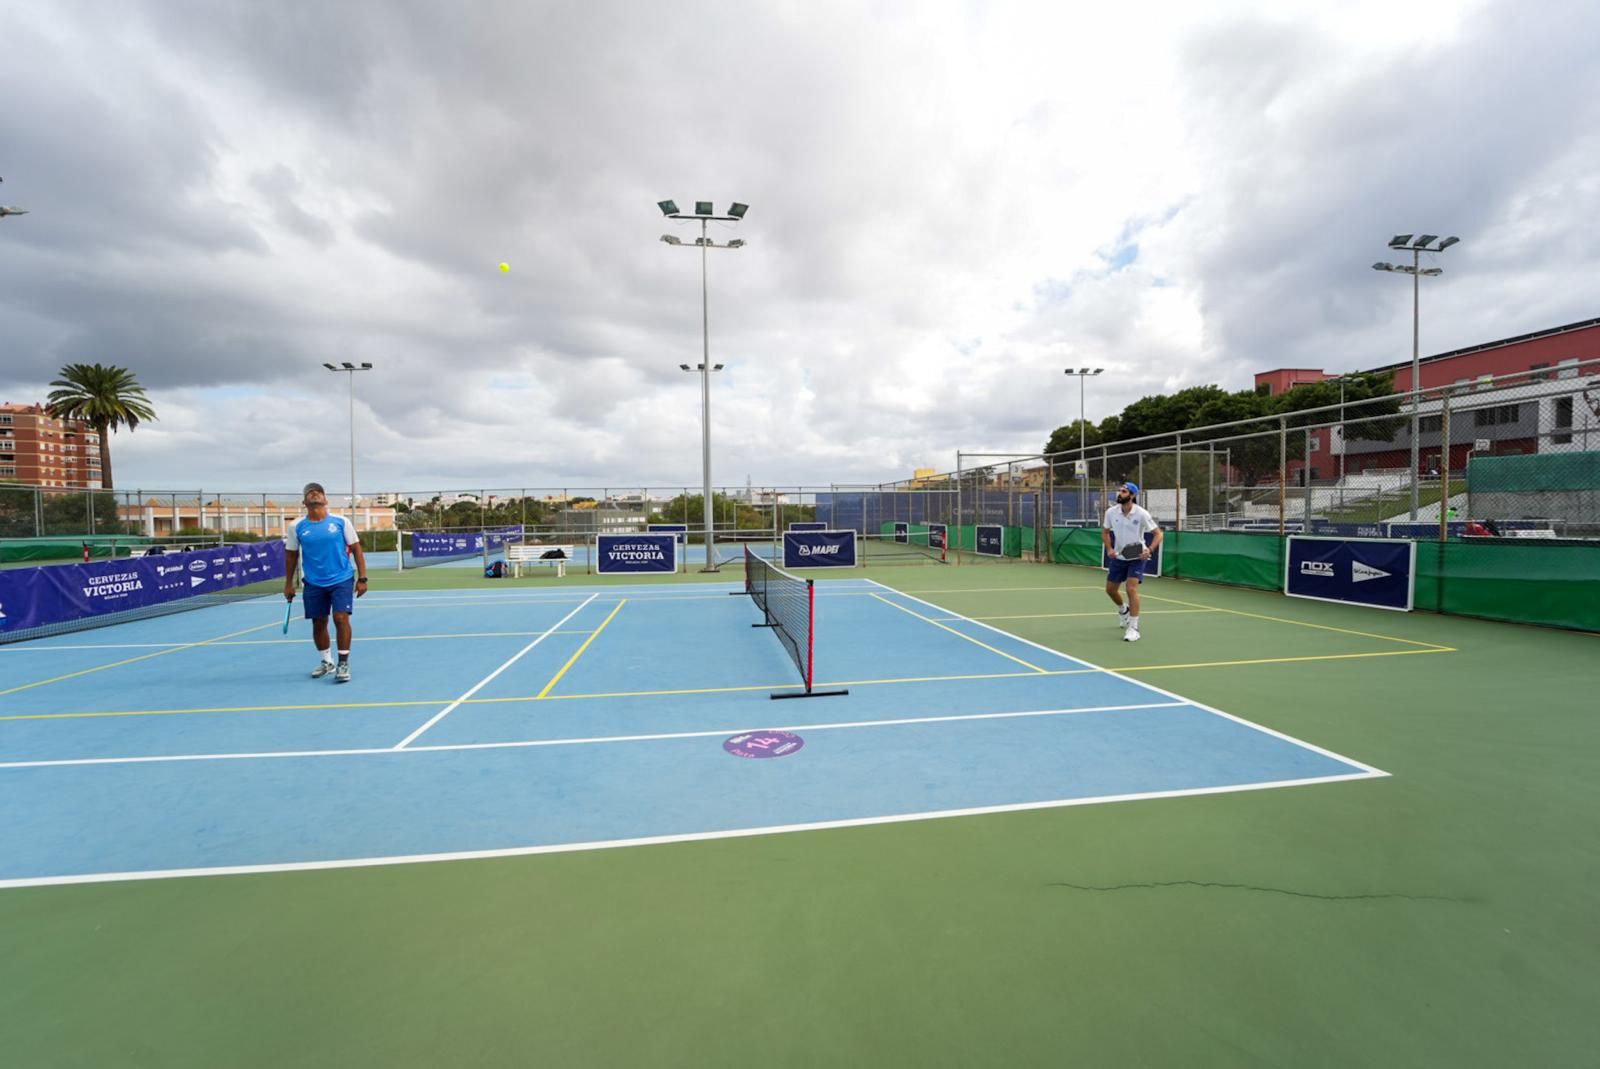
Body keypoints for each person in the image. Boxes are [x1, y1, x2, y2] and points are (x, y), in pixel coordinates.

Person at [283, 482, 368, 682]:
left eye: (318, 492)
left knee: (341, 618)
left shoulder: (341, 522)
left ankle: (343, 663)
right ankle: (326, 662)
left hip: (342, 579)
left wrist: (362, 578)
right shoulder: (296, 526)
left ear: (325, 499)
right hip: (313, 582)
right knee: (319, 622)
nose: (314, 494)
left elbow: (356, 549)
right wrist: (289, 584)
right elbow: (291, 556)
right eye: (310, 492)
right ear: (304, 502)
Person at [1103, 482, 1162, 643]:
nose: (1119, 494)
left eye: (1123, 491)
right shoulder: (1111, 512)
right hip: (1119, 557)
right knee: (1110, 590)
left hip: (1137, 556)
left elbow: (1158, 534)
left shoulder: (1141, 514)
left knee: (1131, 588)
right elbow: (1106, 532)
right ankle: (1124, 611)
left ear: (1132, 495)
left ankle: (1134, 628)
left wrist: (1149, 550)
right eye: (1119, 491)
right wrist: (1109, 549)